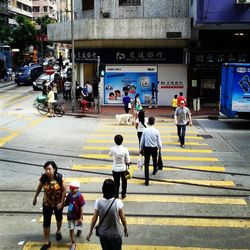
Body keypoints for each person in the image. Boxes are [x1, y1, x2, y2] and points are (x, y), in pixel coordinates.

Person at [86, 179, 128, 250]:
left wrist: (90, 232)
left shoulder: (98, 202)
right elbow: (123, 218)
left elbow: (94, 219)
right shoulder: (118, 202)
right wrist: (125, 229)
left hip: (103, 234)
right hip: (115, 234)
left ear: (103, 189)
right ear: (114, 190)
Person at [33, 161, 66, 250]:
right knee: (46, 222)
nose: (47, 171)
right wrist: (35, 197)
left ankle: (58, 230)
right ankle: (47, 242)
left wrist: (62, 202)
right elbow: (39, 187)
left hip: (58, 203)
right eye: (46, 169)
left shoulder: (60, 178)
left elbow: (64, 190)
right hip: (47, 203)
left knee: (59, 218)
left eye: (49, 169)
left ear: (54, 169)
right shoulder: (43, 178)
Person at [140, 116, 162, 186]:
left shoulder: (145, 130)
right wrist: (160, 148)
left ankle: (147, 180)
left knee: (146, 164)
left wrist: (141, 148)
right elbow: (159, 142)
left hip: (146, 148)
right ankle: (154, 170)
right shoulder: (156, 131)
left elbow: (142, 141)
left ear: (148, 122)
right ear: (154, 122)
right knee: (155, 160)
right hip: (154, 148)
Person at [64, 180, 85, 250]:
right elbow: (66, 203)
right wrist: (61, 205)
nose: (71, 190)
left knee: (79, 228)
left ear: (77, 188)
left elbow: (82, 208)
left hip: (78, 216)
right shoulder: (69, 195)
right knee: (71, 229)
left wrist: (80, 218)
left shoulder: (80, 197)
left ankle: (79, 231)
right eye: (70, 188)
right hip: (70, 215)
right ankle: (73, 243)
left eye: (73, 188)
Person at [109, 135, 130, 199]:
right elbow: (128, 160)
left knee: (116, 183)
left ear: (115, 141)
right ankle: (123, 194)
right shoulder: (125, 149)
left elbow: (109, 155)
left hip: (115, 169)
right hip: (123, 169)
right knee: (124, 182)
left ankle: (116, 195)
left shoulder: (113, 149)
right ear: (122, 141)